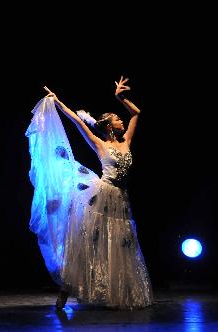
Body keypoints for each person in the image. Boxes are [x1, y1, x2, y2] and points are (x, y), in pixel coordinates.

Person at [25, 76, 153, 310]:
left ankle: (118, 293)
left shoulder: (126, 142)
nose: (121, 120)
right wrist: (59, 102)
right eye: (117, 118)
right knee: (86, 243)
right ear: (108, 126)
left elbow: (137, 113)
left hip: (121, 199)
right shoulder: (99, 143)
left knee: (120, 243)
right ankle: (65, 292)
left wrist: (120, 97)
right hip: (102, 196)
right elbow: (76, 121)